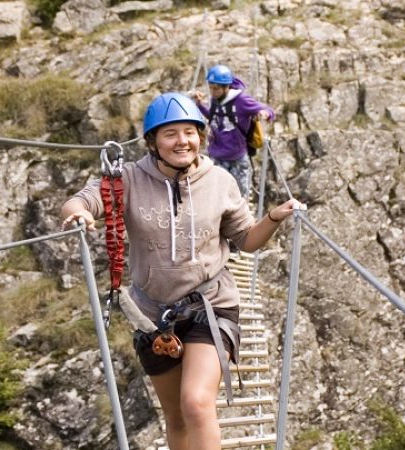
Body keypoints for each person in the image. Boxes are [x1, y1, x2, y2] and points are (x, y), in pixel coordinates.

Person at [60, 92, 302, 450]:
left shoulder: (220, 181)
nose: (182, 141)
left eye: (189, 132)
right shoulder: (127, 179)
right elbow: (83, 199)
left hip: (211, 304)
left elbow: (246, 241)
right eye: (170, 133)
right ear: (153, 142)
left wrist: (273, 218)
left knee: (196, 402)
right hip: (152, 316)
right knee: (175, 417)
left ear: (200, 137)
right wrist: (77, 213)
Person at [190, 64, 275, 200]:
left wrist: (263, 114)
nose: (212, 91)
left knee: (240, 196)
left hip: (237, 157)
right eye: (210, 87)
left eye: (215, 88)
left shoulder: (241, 100)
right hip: (217, 155)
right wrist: (200, 105)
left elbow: (270, 111)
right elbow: (214, 118)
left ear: (226, 87)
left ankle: (241, 220)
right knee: (218, 195)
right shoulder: (216, 99)